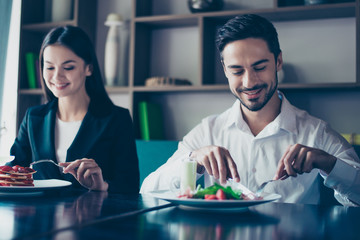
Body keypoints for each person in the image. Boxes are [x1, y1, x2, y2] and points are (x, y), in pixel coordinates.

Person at [140, 14, 360, 205]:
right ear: (225, 70)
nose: (249, 82)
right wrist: (192, 161)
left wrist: (330, 165)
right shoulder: (207, 131)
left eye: (259, 67)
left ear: (279, 61)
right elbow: (148, 191)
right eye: (237, 71)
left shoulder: (316, 132)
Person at [8, 26, 139, 194]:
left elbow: (130, 187)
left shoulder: (117, 119)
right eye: (49, 67)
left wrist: (102, 187)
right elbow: (12, 172)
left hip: (94, 218)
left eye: (68, 67)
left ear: (88, 68)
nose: (56, 76)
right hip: (39, 219)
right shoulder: (33, 117)